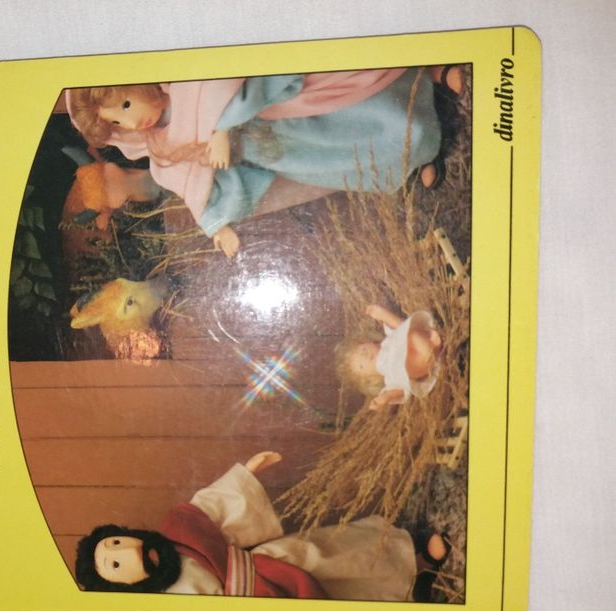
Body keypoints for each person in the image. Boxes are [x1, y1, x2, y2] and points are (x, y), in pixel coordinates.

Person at [67, 67, 459, 258]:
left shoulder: (186, 81)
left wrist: (221, 127)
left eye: (126, 104)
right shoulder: (162, 149)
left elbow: (227, 83)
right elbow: (192, 186)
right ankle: (411, 162)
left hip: (285, 113)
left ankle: (426, 91)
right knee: (341, 157)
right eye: (118, 123)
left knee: (358, 117)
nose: (133, 121)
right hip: (280, 149)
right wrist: (217, 226)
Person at [76, 451, 450, 601]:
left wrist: (249, 471)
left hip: (271, 564)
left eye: (117, 543)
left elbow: (211, 505)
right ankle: (409, 592)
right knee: (339, 604)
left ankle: (411, 554)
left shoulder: (178, 531)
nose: (129, 552)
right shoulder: (165, 608)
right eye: (115, 564)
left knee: (336, 555)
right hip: (259, 608)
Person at [336, 304, 443, 411]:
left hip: (418, 342)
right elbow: (399, 390)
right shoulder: (389, 377)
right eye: (361, 366)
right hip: (419, 365)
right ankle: (432, 350)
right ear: (370, 379)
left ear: (370, 341)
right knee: (406, 376)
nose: (366, 356)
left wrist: (382, 314)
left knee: (406, 331)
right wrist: (384, 398)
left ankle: (432, 344)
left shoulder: (388, 341)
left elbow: (396, 324)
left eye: (363, 350)